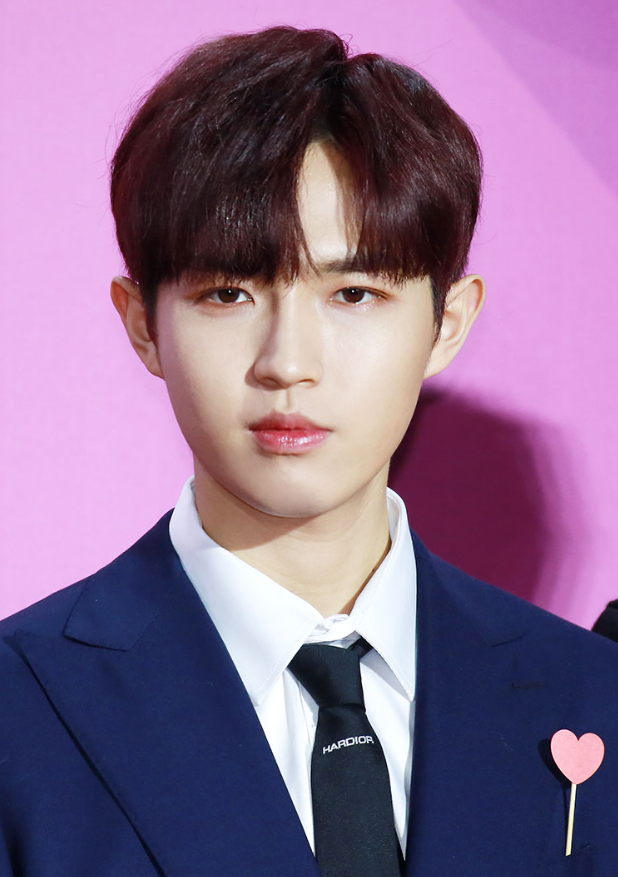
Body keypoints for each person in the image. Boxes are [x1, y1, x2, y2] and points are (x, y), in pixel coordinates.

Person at [2, 24, 618, 877]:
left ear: (448, 322)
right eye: (229, 292)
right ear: (143, 324)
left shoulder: (590, 692)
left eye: (354, 293)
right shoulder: (20, 708)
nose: (288, 362)